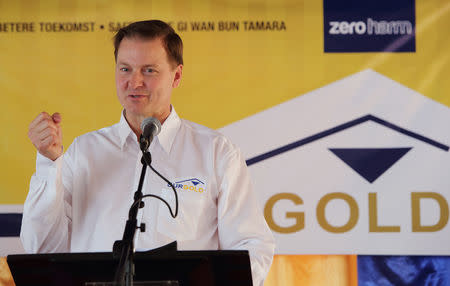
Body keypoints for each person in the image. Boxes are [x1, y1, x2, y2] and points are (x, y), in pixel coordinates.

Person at [21, 20, 275, 285]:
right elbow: (42, 247)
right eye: (125, 69)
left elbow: (252, 247)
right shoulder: (84, 151)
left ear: (176, 76)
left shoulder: (215, 152)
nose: (134, 81)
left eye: (149, 70)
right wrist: (50, 162)